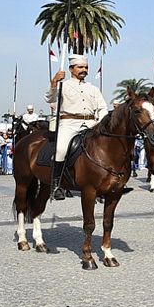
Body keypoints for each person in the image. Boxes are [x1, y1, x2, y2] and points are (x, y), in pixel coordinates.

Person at [45, 54, 108, 200]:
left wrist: (102, 122)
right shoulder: (63, 85)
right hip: (69, 123)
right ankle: (56, 185)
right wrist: (54, 82)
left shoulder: (93, 89)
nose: (84, 70)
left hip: (92, 124)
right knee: (60, 149)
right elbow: (50, 98)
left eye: (85, 67)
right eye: (80, 67)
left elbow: (103, 107)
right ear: (71, 69)